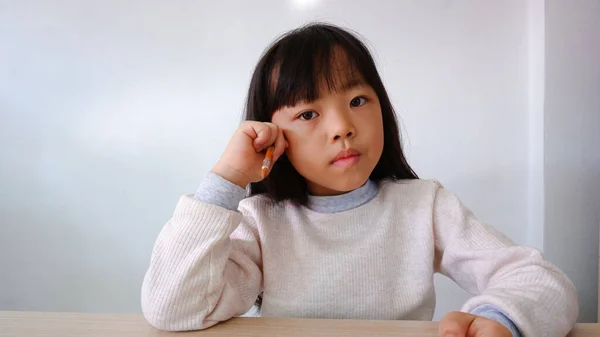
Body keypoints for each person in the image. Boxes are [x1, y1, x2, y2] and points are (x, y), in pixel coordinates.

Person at [141, 23, 578, 337]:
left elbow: (541, 281)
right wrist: (228, 179)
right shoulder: (261, 221)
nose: (342, 127)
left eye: (357, 99)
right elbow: (174, 309)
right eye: (308, 113)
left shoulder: (424, 207)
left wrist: (500, 318)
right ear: (272, 137)